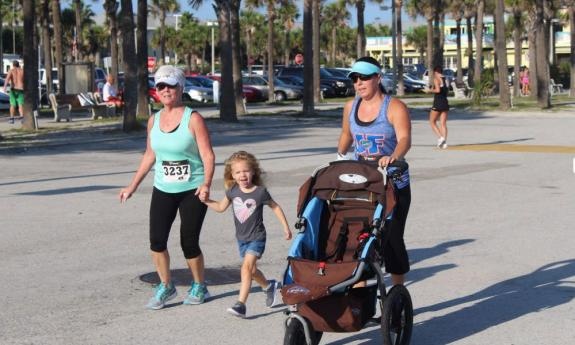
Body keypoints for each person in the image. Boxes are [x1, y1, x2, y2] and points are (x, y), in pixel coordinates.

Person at [119, 65, 215, 310]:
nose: (165, 90)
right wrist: (132, 186)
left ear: (181, 87)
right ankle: (166, 285)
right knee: (157, 240)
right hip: (163, 188)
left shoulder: (193, 119)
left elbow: (208, 156)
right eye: (161, 85)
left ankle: (199, 285)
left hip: (192, 189)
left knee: (189, 242)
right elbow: (149, 156)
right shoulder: (154, 120)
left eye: (171, 85)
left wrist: (206, 184)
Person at [337, 56, 412, 287]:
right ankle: (360, 296)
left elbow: (405, 139)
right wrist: (339, 157)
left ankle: (398, 293)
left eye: (365, 77)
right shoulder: (351, 106)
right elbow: (347, 135)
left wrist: (393, 157)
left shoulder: (394, 106)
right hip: (362, 181)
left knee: (391, 238)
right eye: (355, 78)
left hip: (393, 182)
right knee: (357, 237)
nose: (359, 83)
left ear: (378, 78)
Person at [203, 151, 292, 318]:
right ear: (232, 175)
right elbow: (221, 208)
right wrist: (206, 201)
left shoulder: (260, 192)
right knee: (251, 271)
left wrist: (285, 227)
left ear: (253, 172)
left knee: (245, 268)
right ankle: (268, 286)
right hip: (241, 239)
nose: (242, 175)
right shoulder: (233, 191)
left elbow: (275, 207)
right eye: (238, 172)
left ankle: (240, 305)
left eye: (246, 171)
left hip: (257, 237)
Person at [428, 66, 450, 149]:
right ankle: (444, 143)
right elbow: (446, 90)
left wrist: (429, 90)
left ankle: (441, 138)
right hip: (445, 102)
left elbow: (438, 90)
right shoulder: (446, 79)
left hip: (438, 103)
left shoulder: (436, 79)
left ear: (436, 72)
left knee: (432, 121)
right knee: (443, 124)